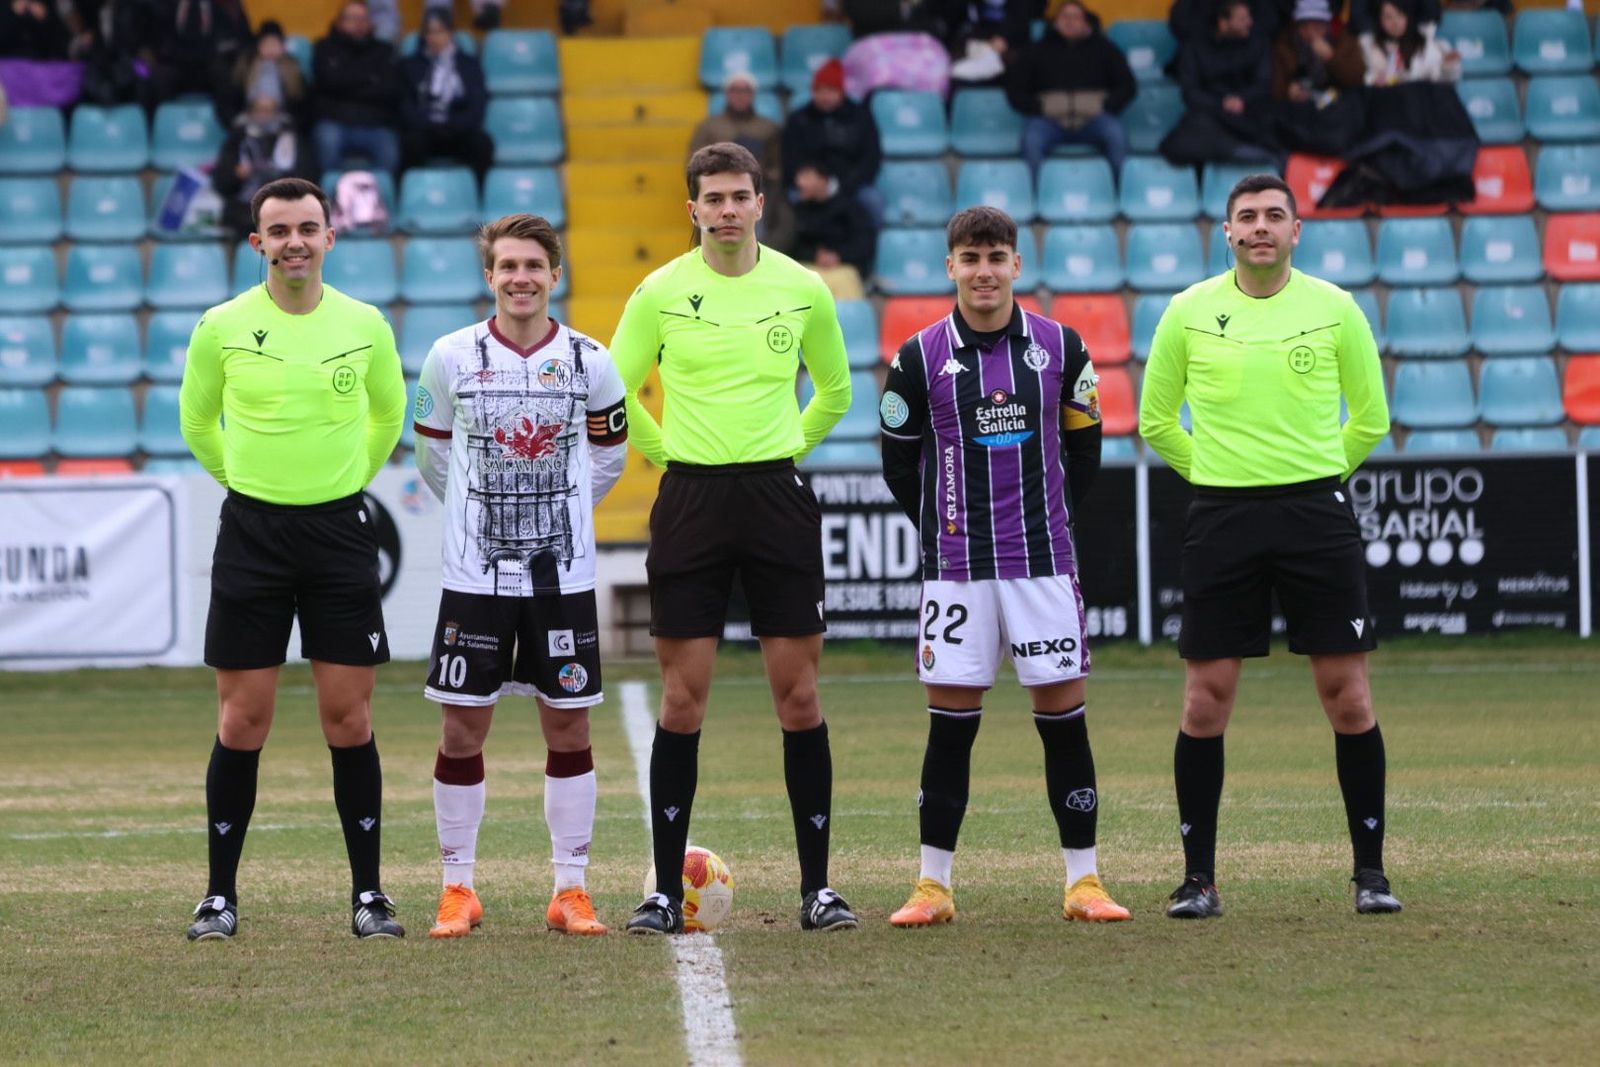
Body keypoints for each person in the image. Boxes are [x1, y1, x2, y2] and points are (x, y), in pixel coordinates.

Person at [608, 142, 855, 935]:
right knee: (683, 699)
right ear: (692, 209)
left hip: (776, 497)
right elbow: (615, 391)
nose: (725, 210)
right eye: (711, 198)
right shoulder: (659, 291)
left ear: (758, 203)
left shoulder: (802, 287)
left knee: (800, 696)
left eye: (738, 197)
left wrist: (784, 451)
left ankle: (817, 888)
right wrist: (670, 458)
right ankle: (660, 894)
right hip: (691, 500)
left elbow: (838, 390)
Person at [1137, 173, 1399, 920]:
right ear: (1227, 232)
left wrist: (1313, 476)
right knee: (1204, 700)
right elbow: (1158, 421)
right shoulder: (1188, 311)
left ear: (1296, 230)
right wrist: (1226, 476)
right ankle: (1198, 880)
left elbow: (1370, 418)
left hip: (1317, 516)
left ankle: (1371, 874)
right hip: (1223, 518)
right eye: (1246, 216)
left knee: (1347, 697)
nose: (1260, 227)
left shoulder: (1335, 308)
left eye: (1273, 215)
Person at [876, 205, 1129, 928]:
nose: (983, 270)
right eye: (970, 257)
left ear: (1017, 265)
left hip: (1041, 565)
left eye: (996, 257)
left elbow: (1084, 452)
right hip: (955, 569)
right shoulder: (919, 357)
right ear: (950, 266)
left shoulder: (1062, 347)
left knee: (1064, 719)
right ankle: (933, 885)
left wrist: (1044, 521)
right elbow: (901, 463)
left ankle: (1084, 880)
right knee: (950, 726)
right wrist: (947, 524)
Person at [178, 176, 408, 942]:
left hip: (340, 535)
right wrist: (249, 485)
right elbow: (197, 422)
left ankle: (369, 895)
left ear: (330, 236)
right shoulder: (221, 325)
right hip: (252, 534)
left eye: (308, 227)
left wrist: (344, 482)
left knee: (349, 717)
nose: (295, 242)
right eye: (279, 231)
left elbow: (387, 414)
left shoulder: (365, 324)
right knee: (243, 719)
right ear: (257, 243)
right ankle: (219, 896)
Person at [410, 213, 628, 939]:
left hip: (559, 580)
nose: (521, 278)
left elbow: (607, 458)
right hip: (474, 578)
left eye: (534, 266)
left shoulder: (591, 360)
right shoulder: (448, 356)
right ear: (489, 276)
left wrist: (552, 518)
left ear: (554, 274)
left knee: (567, 727)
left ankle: (570, 888)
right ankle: (456, 888)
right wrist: (480, 521)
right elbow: (434, 457)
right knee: (462, 728)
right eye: (507, 266)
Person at [1004, 0, 1135, 178]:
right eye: (1065, 16)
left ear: (1085, 22)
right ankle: (1035, 197)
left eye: (1076, 17)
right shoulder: (1036, 51)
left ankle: (1122, 193)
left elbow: (1127, 85)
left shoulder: (1105, 49)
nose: (1070, 21)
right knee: (1032, 139)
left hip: (1094, 121)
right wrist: (1039, 107)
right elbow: (1015, 89)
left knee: (1115, 134)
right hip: (1049, 122)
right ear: (1055, 22)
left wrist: (1105, 105)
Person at [1160, 0, 1280, 167]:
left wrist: (1241, 99)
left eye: (1249, 17)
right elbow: (1190, 93)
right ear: (1223, 23)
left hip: (1249, 113)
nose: (1250, 22)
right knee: (1185, 139)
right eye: (1242, 19)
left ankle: (1258, 155)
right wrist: (1221, 103)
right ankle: (1240, 152)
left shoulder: (1258, 44)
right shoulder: (1194, 47)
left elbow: (1263, 83)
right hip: (1211, 113)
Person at [688, 72, 791, 250]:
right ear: (727, 93)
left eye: (745, 90)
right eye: (735, 90)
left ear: (753, 94)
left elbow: (777, 167)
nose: (740, 95)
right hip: (715, 187)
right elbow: (693, 166)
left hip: (758, 187)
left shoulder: (767, 128)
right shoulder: (709, 127)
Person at [398, 8, 494, 183]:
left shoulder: (469, 64)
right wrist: (429, 123)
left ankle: (478, 195)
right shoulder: (410, 65)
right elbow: (405, 105)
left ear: (450, 33)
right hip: (425, 129)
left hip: (459, 129)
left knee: (482, 145)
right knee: (409, 144)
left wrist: (453, 125)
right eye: (429, 32)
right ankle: (412, 192)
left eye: (439, 31)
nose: (434, 37)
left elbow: (477, 104)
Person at [781, 58, 883, 223]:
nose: (824, 96)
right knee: (789, 202)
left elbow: (871, 158)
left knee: (873, 201)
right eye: (819, 90)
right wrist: (811, 182)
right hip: (809, 184)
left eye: (830, 90)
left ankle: (868, 247)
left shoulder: (860, 117)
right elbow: (791, 158)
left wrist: (843, 184)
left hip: (851, 184)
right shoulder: (799, 119)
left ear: (841, 91)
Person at [312, 0, 401, 177]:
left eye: (363, 18)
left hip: (374, 123)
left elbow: (389, 89)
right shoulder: (324, 47)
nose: (358, 23)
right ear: (339, 22)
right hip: (335, 121)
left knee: (389, 149)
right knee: (327, 141)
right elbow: (327, 83)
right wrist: (369, 79)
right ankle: (331, 198)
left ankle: (380, 200)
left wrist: (344, 81)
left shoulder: (384, 49)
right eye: (352, 18)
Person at [212, 95, 318, 242]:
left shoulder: (294, 140)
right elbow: (220, 183)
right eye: (259, 110)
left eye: (269, 110)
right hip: (244, 212)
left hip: (286, 207)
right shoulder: (237, 139)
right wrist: (236, 175)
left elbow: (309, 180)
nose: (264, 116)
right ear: (250, 112)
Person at [790, 161, 877, 297]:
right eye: (799, 176)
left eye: (806, 177)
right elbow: (790, 244)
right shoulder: (797, 210)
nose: (799, 182)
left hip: (844, 268)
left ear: (823, 179)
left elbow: (864, 243)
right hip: (808, 266)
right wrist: (814, 255)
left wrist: (838, 256)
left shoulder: (851, 208)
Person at [219, 20, 308, 126]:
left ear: (282, 47)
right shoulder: (247, 65)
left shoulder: (292, 67)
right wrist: (237, 120)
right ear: (259, 46)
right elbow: (230, 98)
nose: (270, 49)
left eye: (274, 44)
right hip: (249, 121)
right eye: (266, 44)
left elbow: (302, 102)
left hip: (282, 122)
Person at [1359, 0, 1458, 85]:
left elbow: (1443, 81)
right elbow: (1369, 80)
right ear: (1379, 20)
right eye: (1388, 17)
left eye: (1400, 14)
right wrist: (1376, 82)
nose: (1395, 22)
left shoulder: (1424, 44)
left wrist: (1447, 66)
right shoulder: (1372, 46)